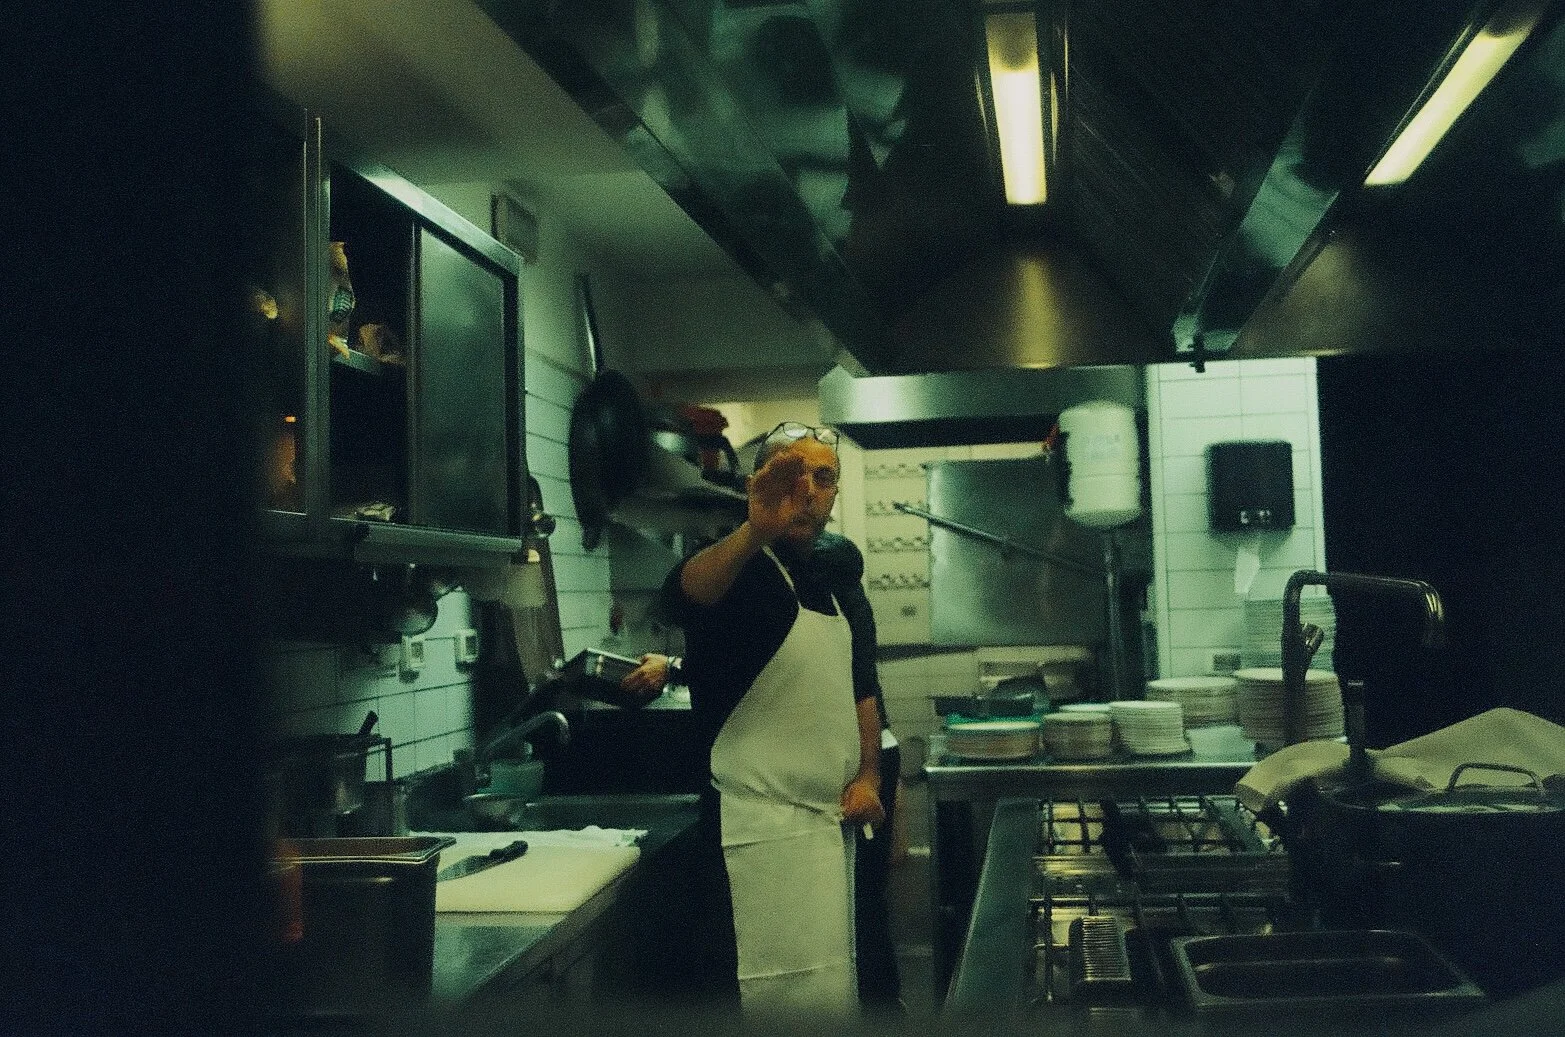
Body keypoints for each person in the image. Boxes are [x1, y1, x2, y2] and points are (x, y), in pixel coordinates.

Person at [619, 421, 886, 1019]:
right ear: (760, 482)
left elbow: (861, 685)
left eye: (825, 476)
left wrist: (868, 775)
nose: (810, 489)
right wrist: (753, 531)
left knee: (826, 992)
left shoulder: (837, 573)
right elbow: (683, 596)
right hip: (749, 832)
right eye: (794, 473)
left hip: (827, 825)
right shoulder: (738, 565)